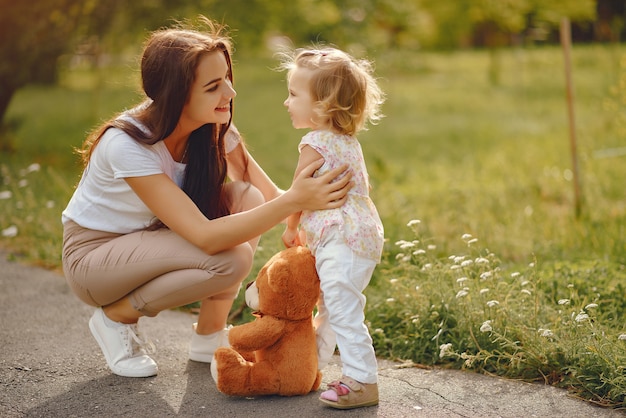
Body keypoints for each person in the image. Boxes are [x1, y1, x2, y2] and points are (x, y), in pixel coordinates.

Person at [61, 18, 352, 379]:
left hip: (153, 240)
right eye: (213, 86)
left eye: (227, 79)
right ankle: (115, 317)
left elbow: (269, 198)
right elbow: (207, 237)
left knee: (246, 196)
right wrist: (293, 201)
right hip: (96, 259)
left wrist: (329, 220)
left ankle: (208, 336)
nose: (229, 93)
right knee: (230, 259)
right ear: (176, 95)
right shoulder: (127, 145)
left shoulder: (213, 128)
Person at [279, 47, 385, 409]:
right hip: (358, 237)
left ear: (323, 104)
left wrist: (292, 229)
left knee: (341, 308)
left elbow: (298, 192)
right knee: (331, 307)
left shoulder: (315, 142)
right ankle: (311, 369)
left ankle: (362, 380)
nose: (286, 102)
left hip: (342, 238)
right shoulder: (347, 142)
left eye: (294, 94)